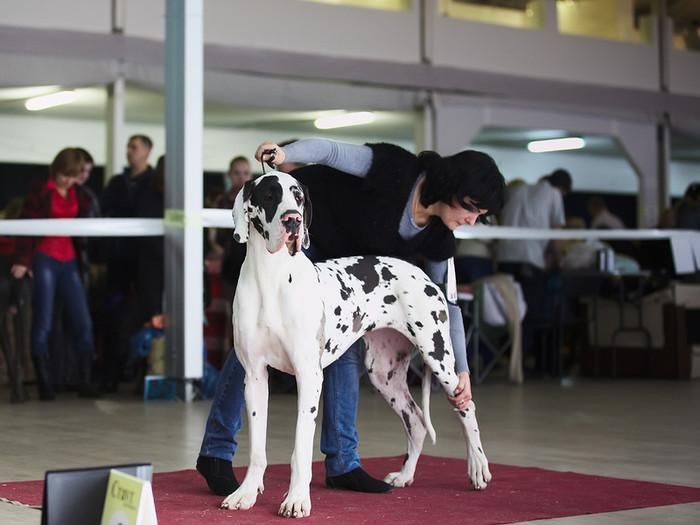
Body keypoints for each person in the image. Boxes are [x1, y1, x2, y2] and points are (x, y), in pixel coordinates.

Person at [196, 138, 505, 496]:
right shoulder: (397, 168)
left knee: (342, 349)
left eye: (481, 215)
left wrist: (462, 370)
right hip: (302, 236)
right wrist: (285, 154)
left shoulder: (440, 237)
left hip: (346, 277)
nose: (472, 219)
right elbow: (333, 153)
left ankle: (343, 462)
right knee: (254, 338)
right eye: (472, 208)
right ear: (453, 188)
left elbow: (445, 303)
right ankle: (217, 451)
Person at [10, 148, 100, 400]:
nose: (68, 181)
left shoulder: (79, 194)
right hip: (44, 257)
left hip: (69, 259)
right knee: (44, 320)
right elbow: (25, 228)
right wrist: (23, 261)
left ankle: (85, 380)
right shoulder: (40, 191)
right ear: (56, 170)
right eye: (64, 175)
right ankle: (44, 382)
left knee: (83, 320)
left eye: (73, 176)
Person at [496, 169, 571, 360]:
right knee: (528, 313)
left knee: (506, 311)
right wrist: (559, 260)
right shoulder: (554, 194)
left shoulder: (517, 189)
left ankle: (504, 356)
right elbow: (557, 234)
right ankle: (522, 360)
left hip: (504, 256)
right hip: (529, 258)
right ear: (562, 188)